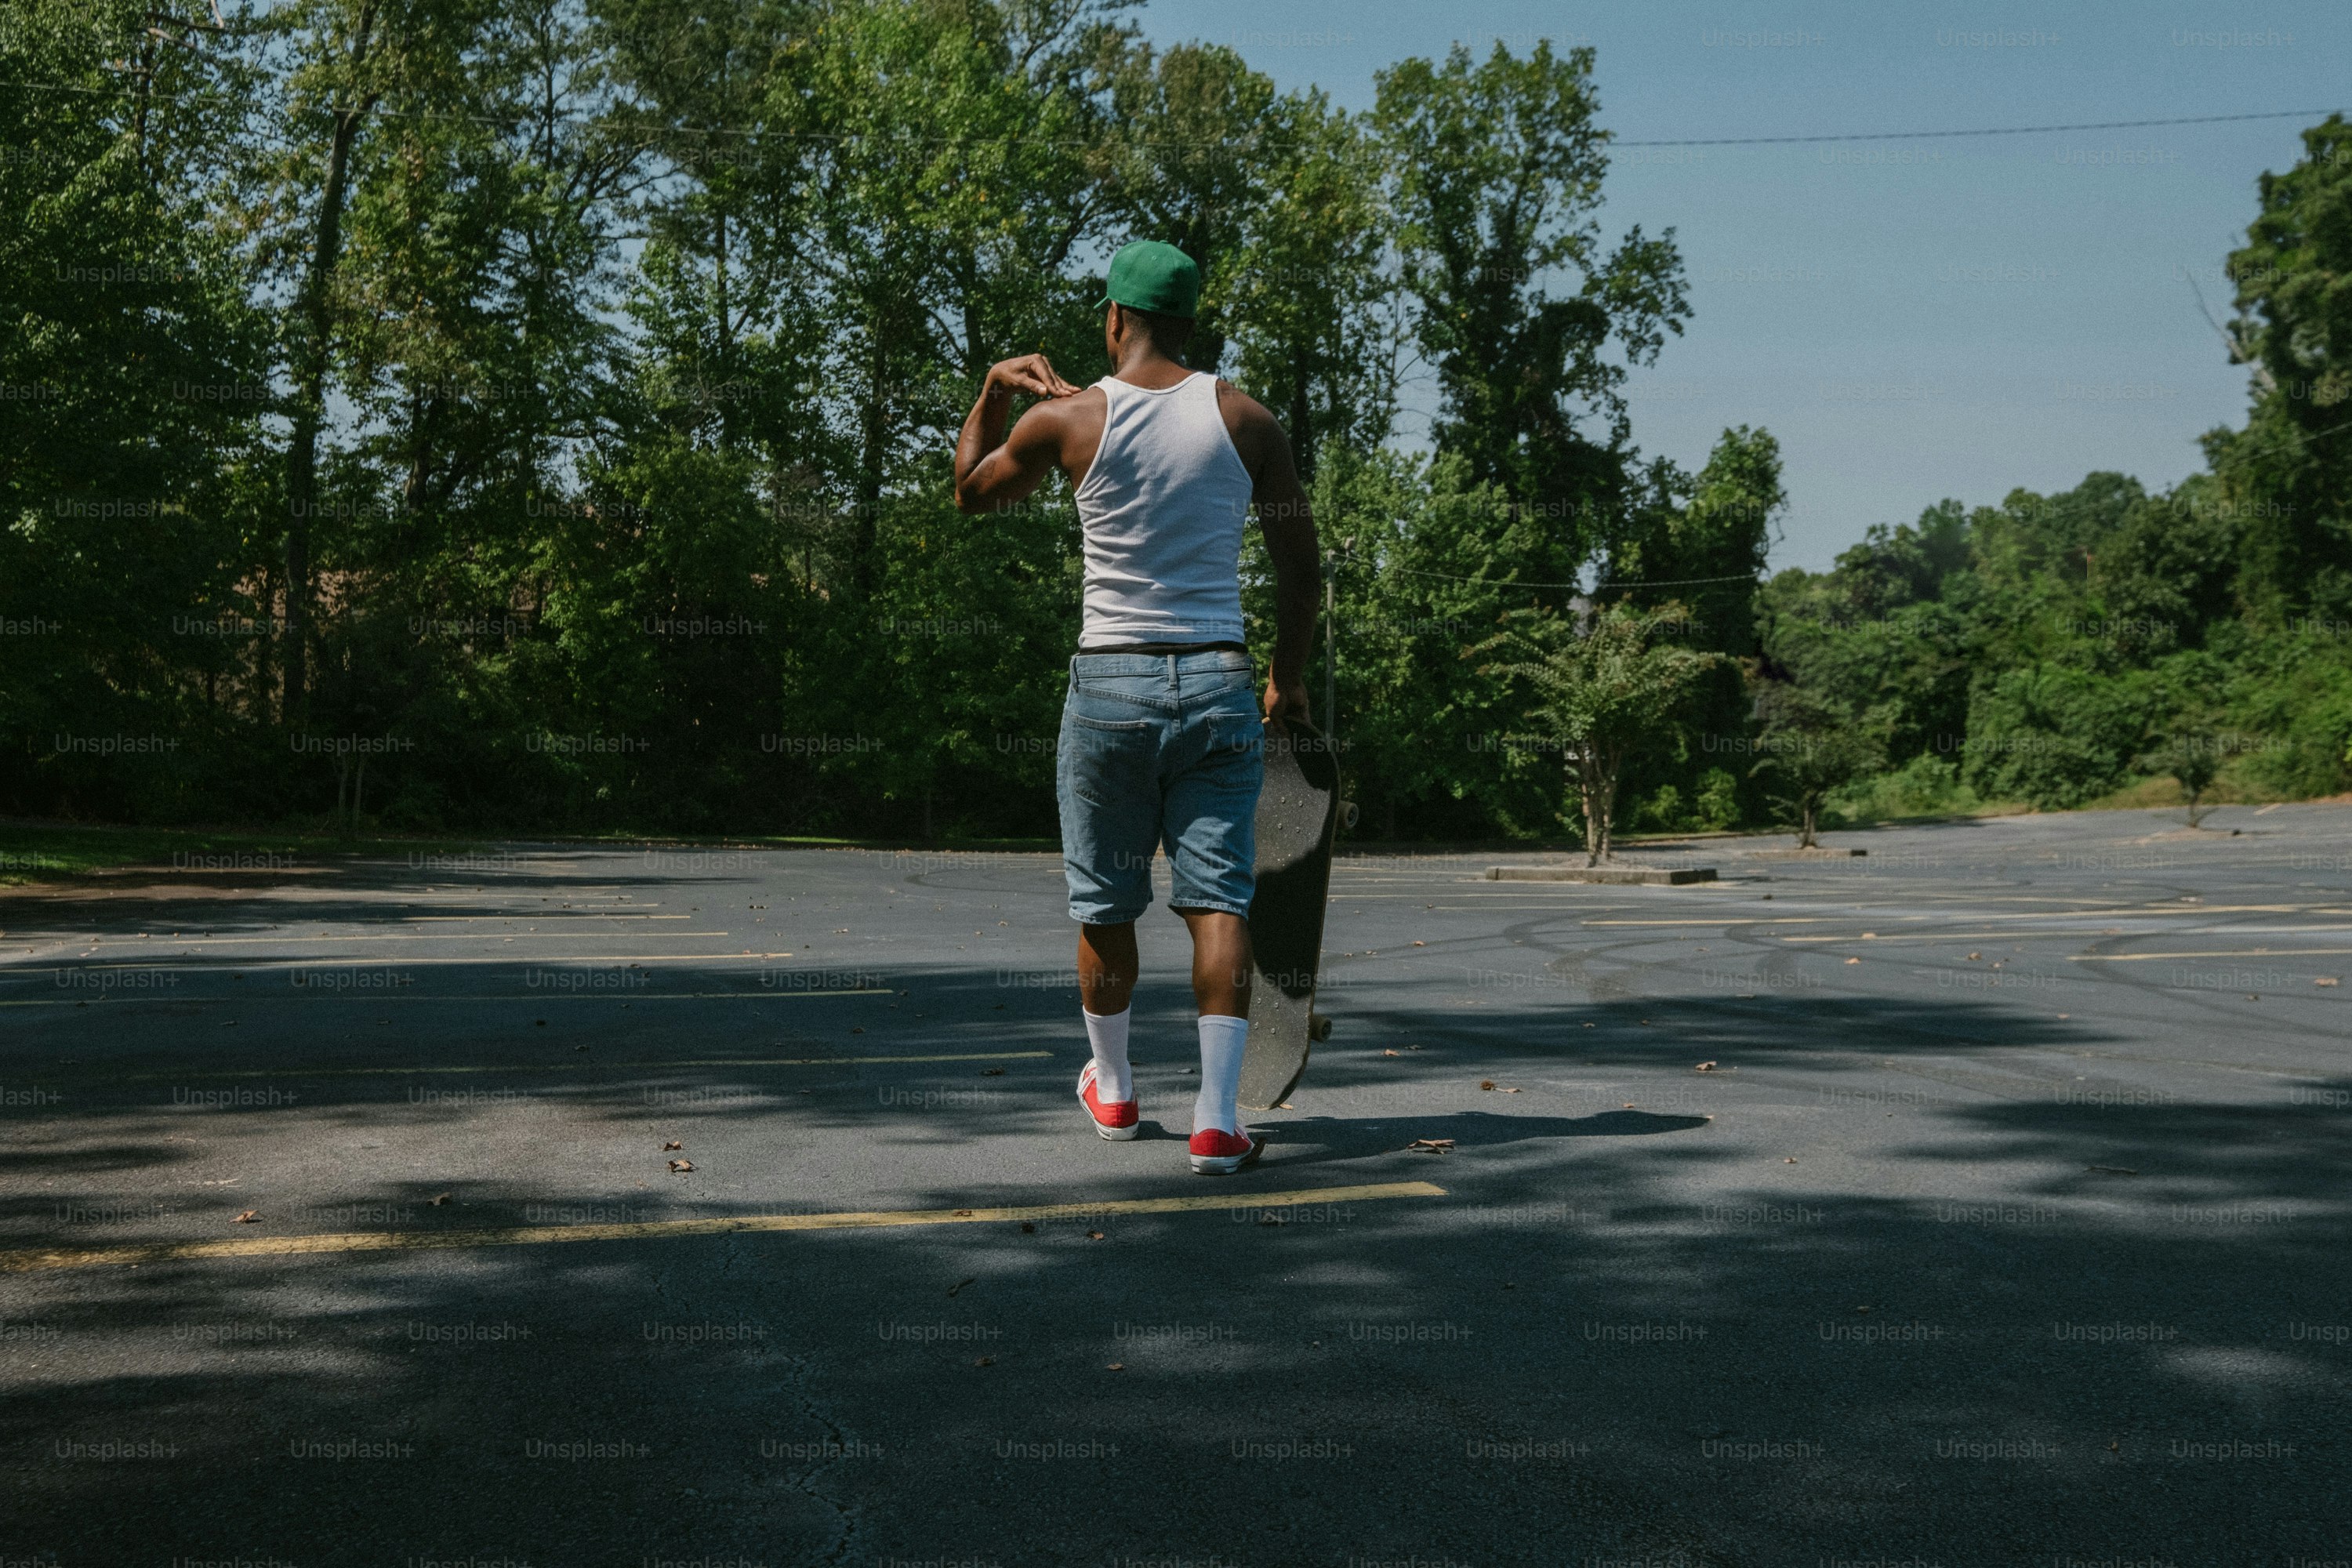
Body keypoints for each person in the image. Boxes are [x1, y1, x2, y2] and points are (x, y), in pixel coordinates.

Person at [953, 240, 1319, 1174]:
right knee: (1218, 903)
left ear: (1113, 319)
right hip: (1216, 682)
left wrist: (996, 389)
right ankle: (1215, 1119)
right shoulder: (1246, 419)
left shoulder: (1066, 420)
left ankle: (1113, 1090)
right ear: (1192, 324)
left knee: (1106, 899)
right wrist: (1289, 675)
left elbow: (969, 493)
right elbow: (1298, 563)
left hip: (1109, 686)